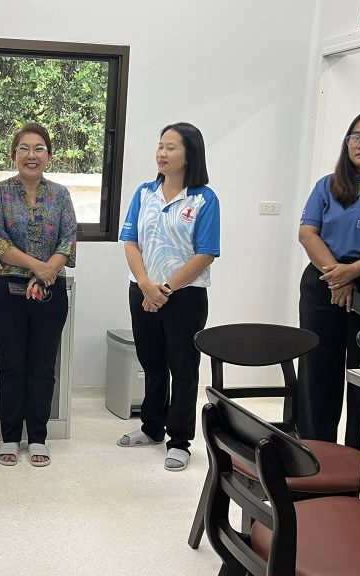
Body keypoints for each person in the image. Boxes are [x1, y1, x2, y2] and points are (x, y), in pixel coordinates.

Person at [117, 122, 220, 472]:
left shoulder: (204, 199)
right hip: (142, 291)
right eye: (160, 146)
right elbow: (130, 241)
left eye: (171, 147)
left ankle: (179, 441)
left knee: (183, 368)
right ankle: (151, 427)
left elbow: (205, 253)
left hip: (184, 296)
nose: (162, 153)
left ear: (190, 154)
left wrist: (164, 289)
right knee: (152, 362)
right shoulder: (144, 193)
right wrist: (146, 284)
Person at [297, 111, 360, 450]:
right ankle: (316, 453)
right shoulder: (327, 185)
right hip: (323, 282)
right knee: (317, 370)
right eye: (354, 136)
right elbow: (307, 233)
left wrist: (354, 272)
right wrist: (338, 278)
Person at [0, 122, 76, 467]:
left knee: (42, 366)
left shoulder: (61, 195)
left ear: (48, 156)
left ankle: (37, 437)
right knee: (11, 366)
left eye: (39, 149)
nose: (31, 155)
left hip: (50, 292)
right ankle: (9, 436)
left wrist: (47, 272)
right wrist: (40, 267)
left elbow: (68, 239)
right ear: (13, 155)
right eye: (24, 148)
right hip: (8, 290)